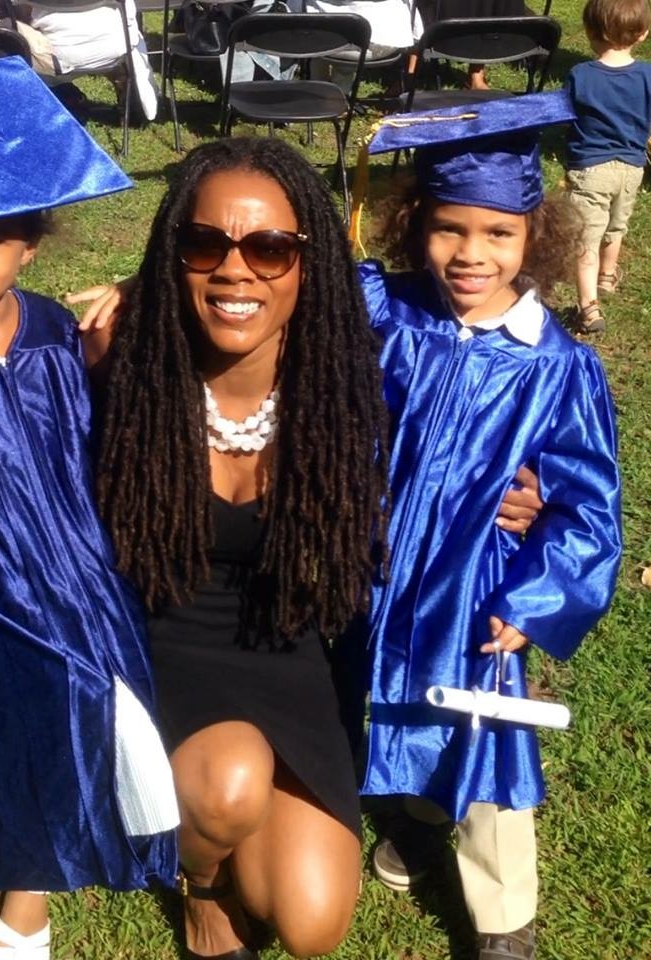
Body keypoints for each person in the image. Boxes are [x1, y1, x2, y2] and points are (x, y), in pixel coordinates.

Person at [69, 133, 543, 959]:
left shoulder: (349, 366)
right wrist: (136, 287)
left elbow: (453, 443)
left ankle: (230, 815)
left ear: (308, 261)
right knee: (229, 783)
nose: (236, 270)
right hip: (162, 642)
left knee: (312, 922)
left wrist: (511, 499)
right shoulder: (119, 356)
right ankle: (202, 886)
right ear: (173, 249)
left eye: (269, 247)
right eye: (204, 242)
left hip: (288, 648)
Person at [0, 58, 178, 960]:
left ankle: (50, 884)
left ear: (30, 244)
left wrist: (129, 319)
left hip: (84, 573)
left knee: (103, 715)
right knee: (11, 730)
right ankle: (24, 907)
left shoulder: (58, 333)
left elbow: (106, 441)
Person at [353, 92, 622, 960]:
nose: (472, 253)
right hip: (374, 565)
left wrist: (536, 598)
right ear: (415, 225)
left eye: (499, 233)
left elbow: (587, 505)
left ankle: (504, 921)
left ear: (533, 237)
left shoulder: (556, 365)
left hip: (480, 584)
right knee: (393, 694)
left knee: (487, 735)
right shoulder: (387, 313)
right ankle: (418, 818)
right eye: (449, 229)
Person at [564, 0, 651, 333]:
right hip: (632, 168)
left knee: (586, 238)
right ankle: (607, 276)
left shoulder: (580, 75)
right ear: (644, 33)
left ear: (589, 30)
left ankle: (589, 308)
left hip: (590, 168)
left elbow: (565, 115)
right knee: (616, 226)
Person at [11, 0, 158, 122]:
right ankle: (128, 84)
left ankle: (55, 97)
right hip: (116, 49)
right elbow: (130, 16)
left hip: (55, 57)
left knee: (11, 23)